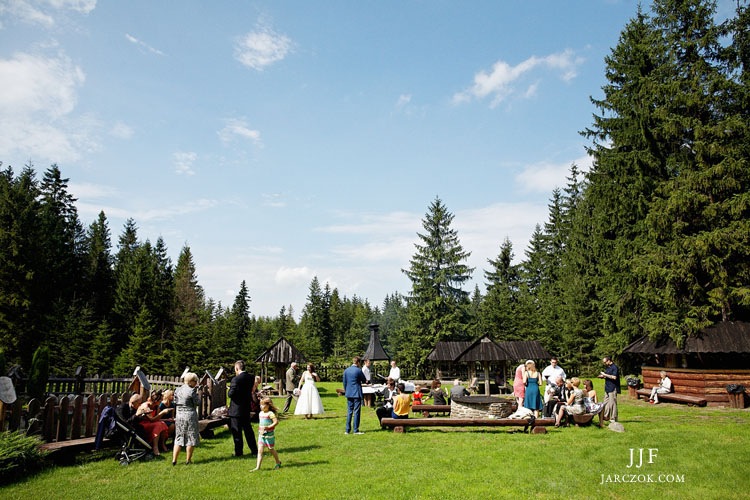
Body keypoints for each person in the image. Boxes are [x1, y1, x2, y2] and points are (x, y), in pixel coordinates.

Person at [228, 360, 258, 457]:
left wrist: (230, 389)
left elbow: (230, 394)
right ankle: (254, 450)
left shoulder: (235, 380)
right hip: (246, 407)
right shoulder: (251, 377)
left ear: (237, 368)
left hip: (236, 409)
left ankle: (239, 452)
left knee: (237, 432)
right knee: (248, 430)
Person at [171, 371, 201, 465]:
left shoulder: (177, 390)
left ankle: (174, 460)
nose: (196, 383)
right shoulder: (192, 391)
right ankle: (188, 460)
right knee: (190, 437)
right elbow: (198, 402)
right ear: (190, 381)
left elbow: (175, 401)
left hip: (179, 415)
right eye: (195, 381)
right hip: (190, 415)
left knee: (179, 436)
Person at [136, 389, 171, 455]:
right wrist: (163, 412)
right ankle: (155, 447)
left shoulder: (156, 406)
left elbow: (157, 418)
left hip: (151, 423)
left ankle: (162, 444)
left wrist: (167, 420)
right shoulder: (146, 406)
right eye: (160, 400)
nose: (161, 401)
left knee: (162, 424)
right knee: (158, 425)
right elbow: (152, 419)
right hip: (142, 424)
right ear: (156, 400)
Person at [252, 397, 282, 471]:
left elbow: (276, 422)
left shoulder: (270, 413)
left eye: (263, 405)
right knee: (260, 451)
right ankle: (257, 467)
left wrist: (268, 427)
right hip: (261, 435)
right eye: (260, 405)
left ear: (268, 405)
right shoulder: (260, 413)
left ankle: (278, 462)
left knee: (271, 449)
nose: (261, 406)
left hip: (269, 435)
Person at [343, 356, 367, 434]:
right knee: (356, 411)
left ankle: (347, 430)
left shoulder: (346, 370)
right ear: (358, 362)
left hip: (349, 392)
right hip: (356, 393)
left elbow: (344, 383)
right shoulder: (358, 371)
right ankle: (356, 430)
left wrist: (346, 391)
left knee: (349, 411)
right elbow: (364, 380)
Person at [598, 356, 620, 422]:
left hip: (613, 387)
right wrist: (602, 376)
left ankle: (613, 418)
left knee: (612, 404)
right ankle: (606, 416)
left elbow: (614, 377)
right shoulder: (608, 368)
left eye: (605, 362)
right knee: (605, 403)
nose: (604, 363)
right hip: (607, 387)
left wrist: (605, 374)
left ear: (609, 361)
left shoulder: (614, 367)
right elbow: (608, 376)